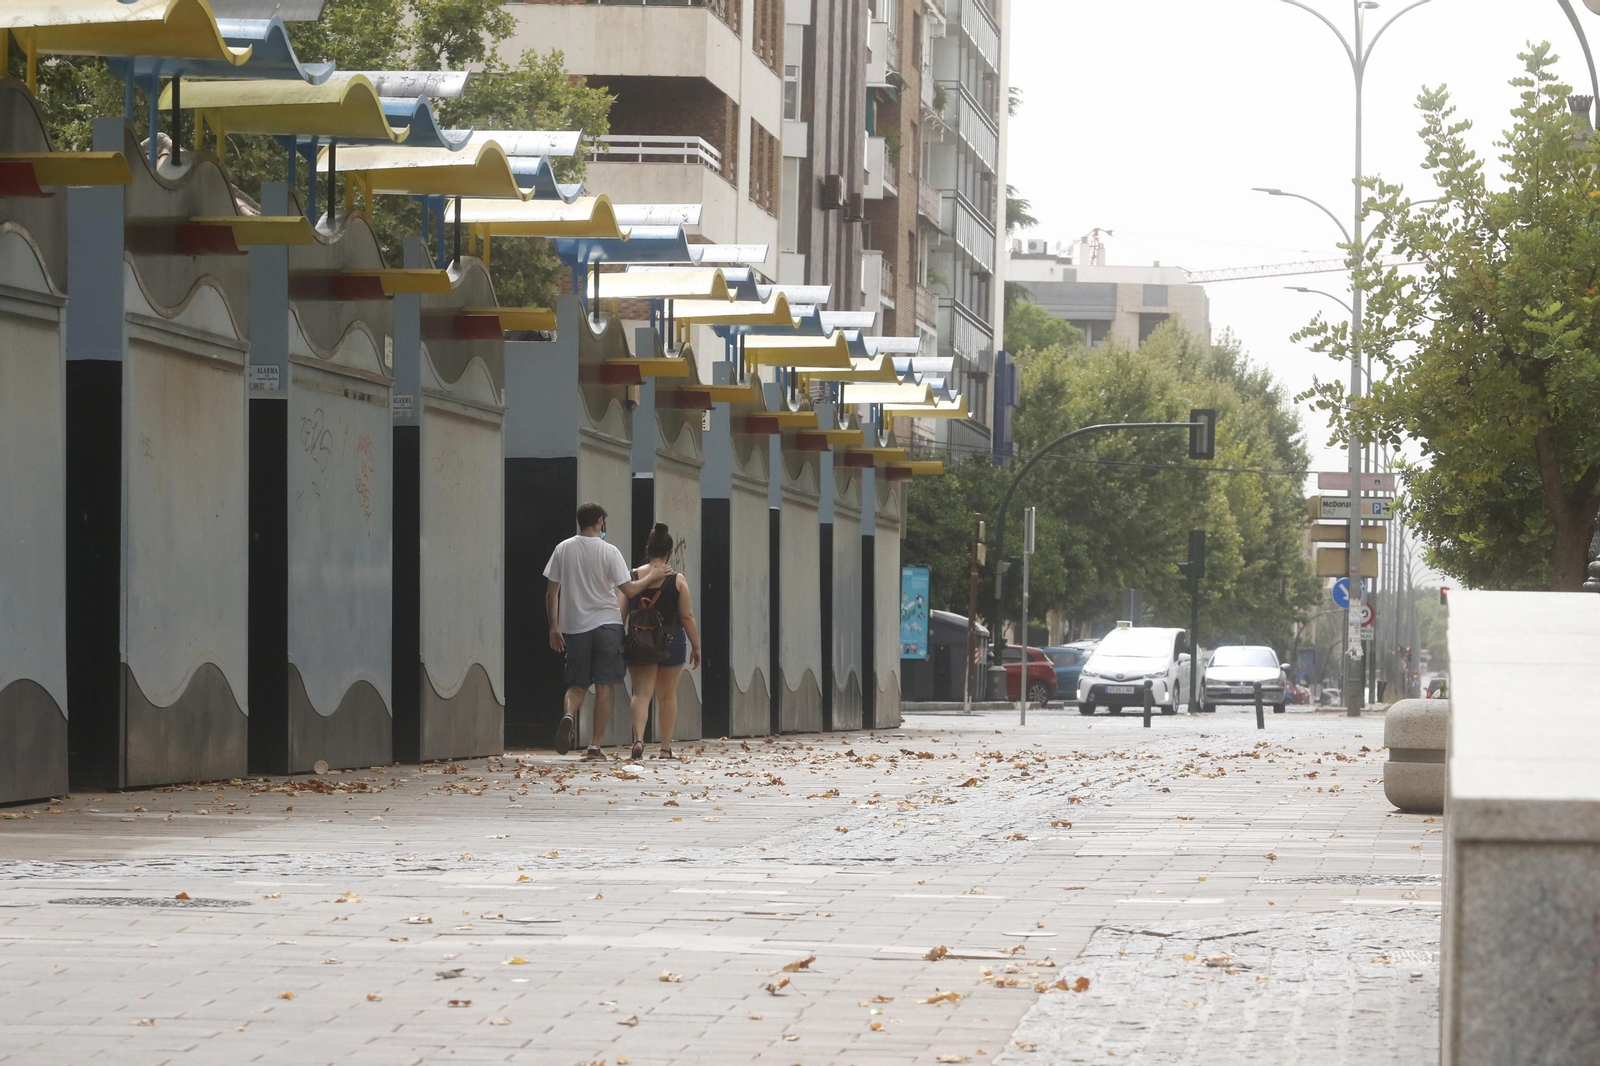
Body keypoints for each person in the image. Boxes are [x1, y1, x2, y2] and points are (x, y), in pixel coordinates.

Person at [544, 502, 671, 760]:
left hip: (576, 627)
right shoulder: (609, 551)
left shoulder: (562, 549)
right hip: (607, 625)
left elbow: (551, 592)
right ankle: (594, 745)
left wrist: (554, 627)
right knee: (605, 686)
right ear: (600, 520)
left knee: (577, 684)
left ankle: (569, 715)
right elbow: (629, 590)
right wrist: (651, 576)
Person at [623, 523, 702, 762]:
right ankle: (665, 749)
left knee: (641, 694)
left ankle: (638, 739)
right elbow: (687, 616)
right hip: (671, 639)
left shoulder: (633, 576)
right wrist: (696, 646)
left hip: (640, 640)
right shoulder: (677, 580)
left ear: (648, 549)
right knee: (667, 696)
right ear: (670, 552)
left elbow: (621, 611)